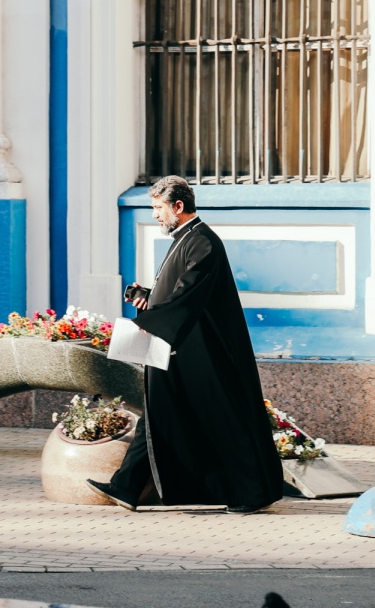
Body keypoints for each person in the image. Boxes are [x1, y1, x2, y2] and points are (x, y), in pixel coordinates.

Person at [86, 176, 283, 514]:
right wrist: (148, 298)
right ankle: (126, 487)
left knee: (225, 421)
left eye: (158, 208)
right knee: (157, 414)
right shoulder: (187, 239)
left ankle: (253, 493)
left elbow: (188, 297)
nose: (155, 214)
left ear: (178, 206)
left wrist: (146, 325)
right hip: (181, 347)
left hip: (204, 355)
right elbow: (180, 294)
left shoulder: (203, 242)